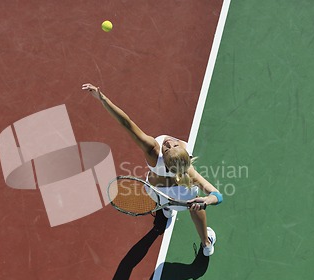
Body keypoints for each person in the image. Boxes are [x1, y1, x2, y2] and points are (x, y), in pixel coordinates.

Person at [82, 83, 222, 256]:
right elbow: (217, 195)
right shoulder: (186, 167)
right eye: (171, 146)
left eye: (169, 147)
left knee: (166, 202)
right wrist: (206, 200)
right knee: (197, 207)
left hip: (156, 193)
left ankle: (167, 208)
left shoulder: (152, 150)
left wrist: (103, 99)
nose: (169, 142)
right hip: (183, 198)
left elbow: (126, 124)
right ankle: (206, 244)